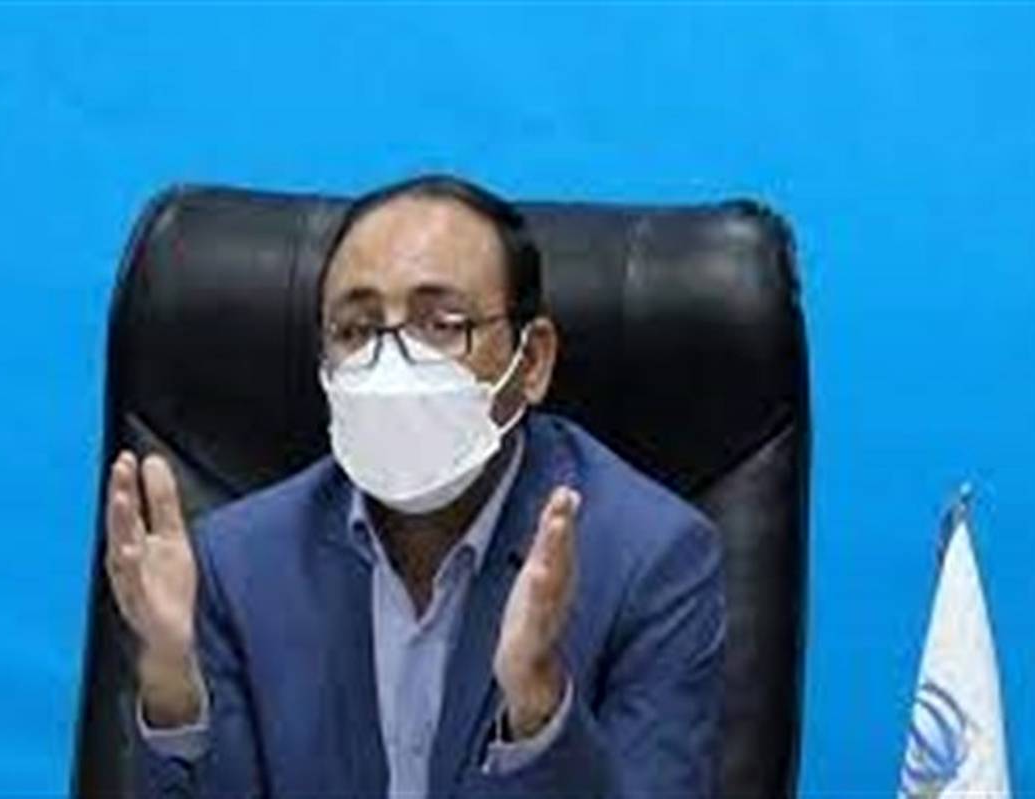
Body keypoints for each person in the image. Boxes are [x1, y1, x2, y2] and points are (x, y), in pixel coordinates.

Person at [104, 175, 725, 798]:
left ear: (532, 361)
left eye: (441, 324)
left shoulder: (653, 561)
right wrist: (173, 686)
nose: (393, 364)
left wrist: (538, 707)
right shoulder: (231, 566)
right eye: (356, 331)